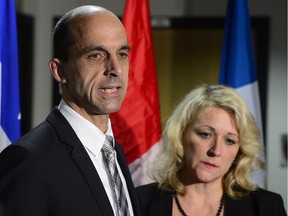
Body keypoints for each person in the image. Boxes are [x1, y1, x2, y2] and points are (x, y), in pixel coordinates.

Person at [0, 5, 140, 216]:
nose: (115, 69)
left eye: (122, 54)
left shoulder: (113, 151)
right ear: (60, 71)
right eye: (96, 55)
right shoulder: (30, 160)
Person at [136, 85, 287, 216]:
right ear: (181, 135)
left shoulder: (267, 207)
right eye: (206, 134)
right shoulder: (139, 202)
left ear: (240, 151)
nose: (216, 150)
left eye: (230, 140)